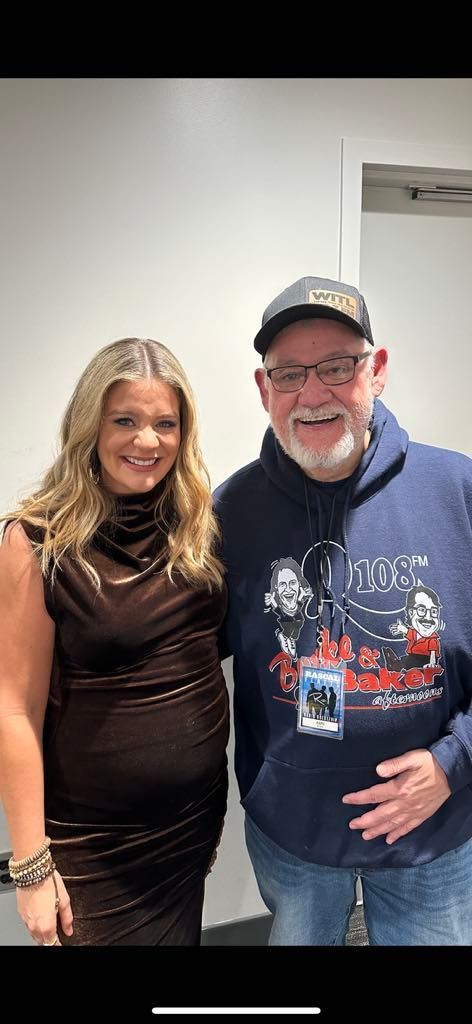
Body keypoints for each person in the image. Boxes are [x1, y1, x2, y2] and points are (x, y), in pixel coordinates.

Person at [214, 275, 472, 946]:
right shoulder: (229, 513)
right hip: (293, 835)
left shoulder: (458, 491)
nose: (313, 394)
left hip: (433, 831)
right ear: (264, 388)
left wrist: (456, 761)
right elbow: (173, 661)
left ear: (375, 370)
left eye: (336, 366)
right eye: (289, 374)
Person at [0, 337, 229, 946]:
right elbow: (14, 708)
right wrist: (30, 865)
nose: (146, 441)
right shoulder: (37, 542)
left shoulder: (197, 526)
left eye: (165, 423)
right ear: (90, 426)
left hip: (188, 828)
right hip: (93, 844)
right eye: (124, 420)